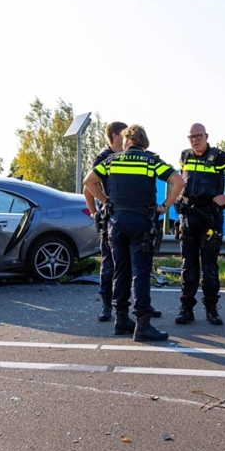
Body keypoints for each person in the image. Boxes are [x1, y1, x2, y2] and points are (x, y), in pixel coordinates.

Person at [84, 124, 185, 342]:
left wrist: (106, 201)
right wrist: (164, 206)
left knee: (120, 272)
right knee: (140, 273)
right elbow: (179, 181)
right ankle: (143, 325)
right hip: (141, 223)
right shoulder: (151, 161)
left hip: (116, 223)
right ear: (143, 142)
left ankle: (121, 320)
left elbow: (88, 182)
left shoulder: (111, 161)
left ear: (127, 141)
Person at [173, 123, 225, 326]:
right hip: (189, 218)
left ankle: (211, 310)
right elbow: (183, 182)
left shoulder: (219, 157)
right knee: (188, 266)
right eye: (191, 137)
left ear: (206, 136)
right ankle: (186, 309)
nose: (195, 140)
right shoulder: (185, 156)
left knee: (209, 268)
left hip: (210, 218)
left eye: (198, 136)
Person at [84, 122, 127, 322]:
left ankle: (133, 306)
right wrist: (98, 211)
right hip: (111, 218)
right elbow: (88, 188)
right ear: (116, 135)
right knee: (109, 264)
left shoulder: (128, 156)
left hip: (128, 216)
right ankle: (107, 304)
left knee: (133, 265)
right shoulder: (102, 159)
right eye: (126, 134)